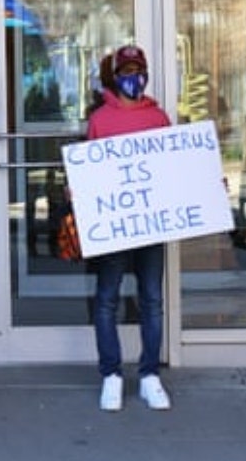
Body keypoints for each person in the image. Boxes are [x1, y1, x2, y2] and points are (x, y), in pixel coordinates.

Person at [86, 45, 173, 413]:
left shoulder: (159, 118)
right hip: (115, 225)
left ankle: (150, 375)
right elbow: (91, 170)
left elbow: (174, 167)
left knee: (151, 298)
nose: (133, 76)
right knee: (107, 298)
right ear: (116, 75)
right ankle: (112, 375)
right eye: (127, 70)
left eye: (139, 69)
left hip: (150, 224)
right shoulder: (100, 119)